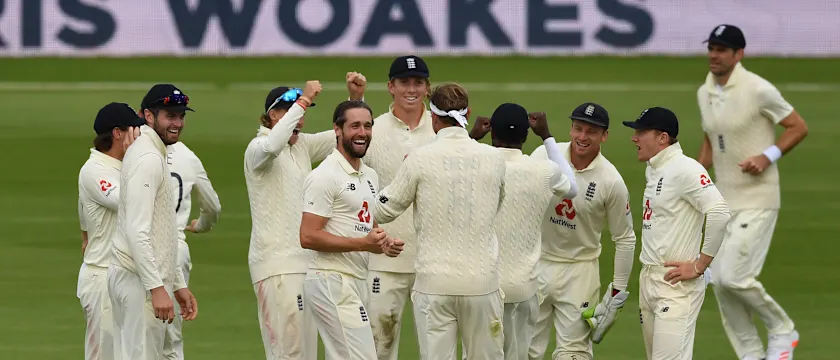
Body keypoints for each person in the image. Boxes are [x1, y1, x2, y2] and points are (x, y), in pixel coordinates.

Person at [696, 24, 808, 360]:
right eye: (711, 48)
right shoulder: (705, 92)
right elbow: (711, 140)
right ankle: (750, 353)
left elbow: (797, 126)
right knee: (719, 281)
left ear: (738, 54)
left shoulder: (758, 89)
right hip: (724, 200)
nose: (714, 55)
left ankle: (783, 329)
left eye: (721, 49)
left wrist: (767, 156)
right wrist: (695, 179)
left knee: (734, 277)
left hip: (758, 198)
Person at [373, 83, 507, 360]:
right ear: (467, 113)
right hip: (482, 283)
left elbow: (384, 211)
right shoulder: (494, 158)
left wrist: (360, 194)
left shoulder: (419, 159)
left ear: (433, 118)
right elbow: (496, 204)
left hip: (434, 285)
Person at [245, 76, 364, 360]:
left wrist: (355, 102)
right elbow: (274, 145)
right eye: (288, 112)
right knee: (289, 353)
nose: (298, 118)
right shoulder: (257, 149)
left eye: (300, 113)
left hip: (307, 266)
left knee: (307, 353)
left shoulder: (301, 146)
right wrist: (305, 100)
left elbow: (341, 137)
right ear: (272, 115)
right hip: (276, 267)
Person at [526, 103, 637, 360]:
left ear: (604, 136)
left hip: (580, 272)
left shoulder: (611, 180)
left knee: (574, 354)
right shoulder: (543, 156)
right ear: (571, 128)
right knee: (525, 350)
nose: (582, 137)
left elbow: (625, 238)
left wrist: (617, 292)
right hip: (536, 263)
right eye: (578, 129)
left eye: (591, 131)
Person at [468, 103, 577, 360]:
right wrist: (548, 137)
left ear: (492, 132)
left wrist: (471, 136)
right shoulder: (544, 171)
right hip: (523, 287)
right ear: (527, 136)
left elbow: (448, 159)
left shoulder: (477, 163)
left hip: (483, 285)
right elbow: (572, 187)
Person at [622, 107, 731, 360]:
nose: (634, 138)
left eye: (641, 132)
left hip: (676, 287)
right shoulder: (655, 169)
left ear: (663, 138)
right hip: (649, 280)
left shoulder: (686, 169)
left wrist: (700, 265)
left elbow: (720, 212)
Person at [300, 100, 404, 360]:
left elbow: (363, 218)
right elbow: (308, 235)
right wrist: (363, 244)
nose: (362, 132)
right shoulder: (325, 175)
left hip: (355, 279)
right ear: (337, 130)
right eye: (354, 126)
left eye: (368, 126)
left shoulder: (369, 175)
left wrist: (383, 240)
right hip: (330, 279)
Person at [109, 84, 198, 359]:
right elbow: (138, 230)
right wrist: (158, 288)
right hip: (139, 283)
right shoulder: (148, 157)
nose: (177, 123)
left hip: (140, 279)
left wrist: (177, 283)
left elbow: (165, 230)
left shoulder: (151, 150)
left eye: (181, 116)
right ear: (148, 115)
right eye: (170, 116)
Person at [362, 55, 435, 360]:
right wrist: (374, 233)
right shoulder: (372, 130)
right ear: (390, 86)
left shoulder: (442, 130)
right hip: (382, 260)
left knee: (435, 351)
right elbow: (358, 190)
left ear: (428, 88)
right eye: (404, 82)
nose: (411, 89)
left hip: (432, 262)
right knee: (378, 348)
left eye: (418, 82)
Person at [77, 102, 142, 360]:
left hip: (125, 277)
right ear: (118, 134)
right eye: (135, 131)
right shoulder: (95, 170)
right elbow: (126, 201)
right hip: (102, 278)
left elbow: (83, 219)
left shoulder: (120, 167)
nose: (139, 137)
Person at [164, 140, 222, 359]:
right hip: (176, 248)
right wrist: (201, 225)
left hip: (134, 248)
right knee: (170, 341)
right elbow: (213, 206)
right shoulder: (187, 156)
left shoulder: (133, 150)